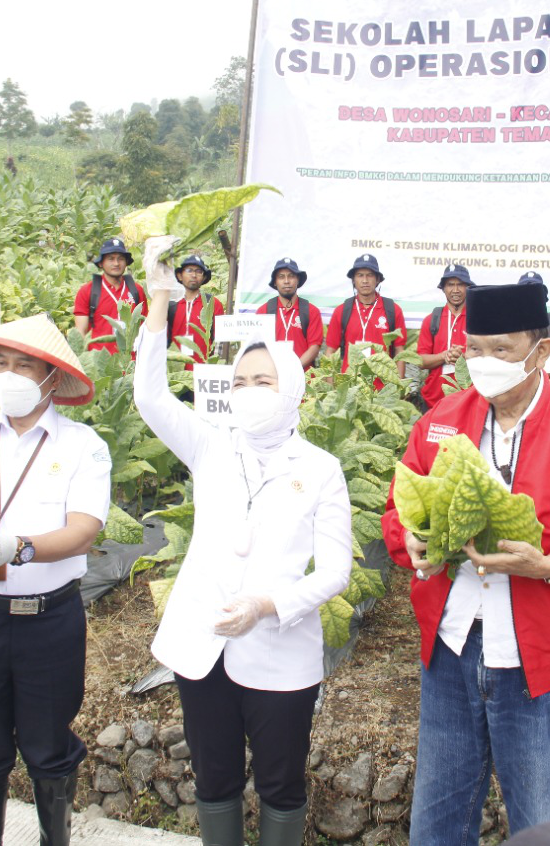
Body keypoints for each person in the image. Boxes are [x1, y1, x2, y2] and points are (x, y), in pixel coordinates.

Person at [381, 282, 550, 843]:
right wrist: (411, 539)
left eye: (501, 350)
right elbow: (398, 507)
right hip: (450, 651)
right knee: (437, 818)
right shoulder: (441, 422)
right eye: (475, 349)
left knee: (539, 816)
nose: (484, 363)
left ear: (541, 352)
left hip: (538, 660)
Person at [134, 237, 353, 846]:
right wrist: (158, 303)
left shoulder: (322, 467)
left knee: (282, 785)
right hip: (203, 646)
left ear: (293, 388)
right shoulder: (210, 444)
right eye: (242, 380)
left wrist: (266, 606)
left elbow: (335, 571)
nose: (251, 388)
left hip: (280, 652)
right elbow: (149, 397)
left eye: (264, 379)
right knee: (215, 778)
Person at [0, 314, 111, 846]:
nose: (8, 375)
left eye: (23, 366)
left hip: (49, 620)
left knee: (48, 745)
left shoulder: (82, 445)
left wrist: (17, 549)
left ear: (51, 378)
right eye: (0, 364)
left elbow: (82, 531)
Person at [324, 253, 407, 387]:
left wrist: (398, 389)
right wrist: (332, 387)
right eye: (360, 275)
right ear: (353, 280)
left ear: (378, 279)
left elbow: (399, 352)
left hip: (381, 390)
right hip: (349, 388)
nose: (365, 280)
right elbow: (330, 352)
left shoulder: (393, 310)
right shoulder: (342, 311)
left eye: (370, 275)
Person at [73, 237, 148, 354]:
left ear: (126, 262)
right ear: (101, 263)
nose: (116, 263)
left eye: (120, 259)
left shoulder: (136, 290)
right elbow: (80, 332)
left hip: (131, 362)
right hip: (99, 362)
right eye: (111, 259)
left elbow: (144, 328)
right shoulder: (88, 291)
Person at [417, 263, 473, 407]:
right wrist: (444, 356)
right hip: (434, 401)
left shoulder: (478, 320)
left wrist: (464, 357)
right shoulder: (431, 320)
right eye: (450, 285)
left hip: (468, 401)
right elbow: (420, 361)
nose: (455, 290)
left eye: (460, 285)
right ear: (443, 288)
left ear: (468, 287)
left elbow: (488, 358)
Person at [255, 257, 324, 367]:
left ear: (298, 280)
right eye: (281, 277)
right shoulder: (263, 311)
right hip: (273, 378)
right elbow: (259, 346)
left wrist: (294, 369)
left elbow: (314, 347)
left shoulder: (311, 311)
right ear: (275, 282)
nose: (286, 281)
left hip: (304, 378)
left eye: (291, 276)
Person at [170, 254, 225, 368]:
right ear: (180, 275)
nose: (194, 275)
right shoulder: (170, 304)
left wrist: (214, 367)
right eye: (189, 270)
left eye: (199, 271)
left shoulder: (212, 304)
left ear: (204, 277)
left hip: (203, 371)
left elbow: (220, 341)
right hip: (173, 373)